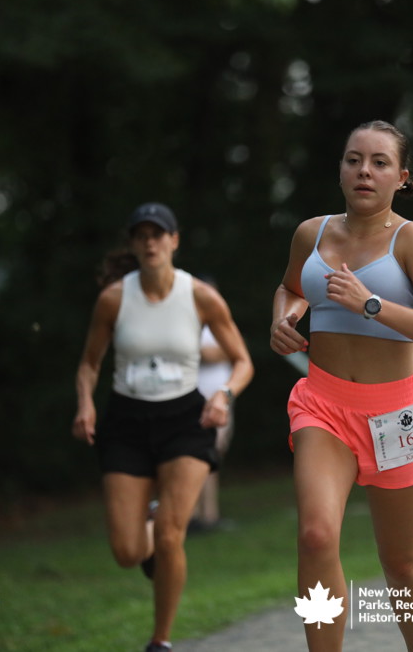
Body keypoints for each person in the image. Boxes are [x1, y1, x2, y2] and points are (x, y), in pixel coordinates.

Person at [270, 120, 413, 652]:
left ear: (401, 178)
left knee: (401, 562)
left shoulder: (412, 240)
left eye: (380, 163)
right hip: (324, 404)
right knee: (315, 536)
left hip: (395, 414)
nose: (364, 171)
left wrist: (371, 305)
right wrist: (284, 317)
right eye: (354, 159)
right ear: (340, 169)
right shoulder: (311, 233)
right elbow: (290, 287)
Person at [72, 203, 254, 652]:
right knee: (127, 552)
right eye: (142, 235)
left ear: (174, 241)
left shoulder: (201, 296)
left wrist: (223, 395)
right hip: (126, 423)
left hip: (184, 421)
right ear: (133, 244)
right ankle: (150, 529)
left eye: (158, 234)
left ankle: (161, 641)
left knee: (174, 535)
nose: (150, 242)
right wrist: (85, 405)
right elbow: (89, 365)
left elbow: (242, 361)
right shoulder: (114, 298)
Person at [189, 277, 235, 533]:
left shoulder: (221, 323)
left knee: (214, 457)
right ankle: (193, 516)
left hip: (221, 399)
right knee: (195, 456)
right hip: (196, 401)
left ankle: (209, 515)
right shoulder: (191, 324)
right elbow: (210, 354)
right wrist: (223, 351)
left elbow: (233, 353)